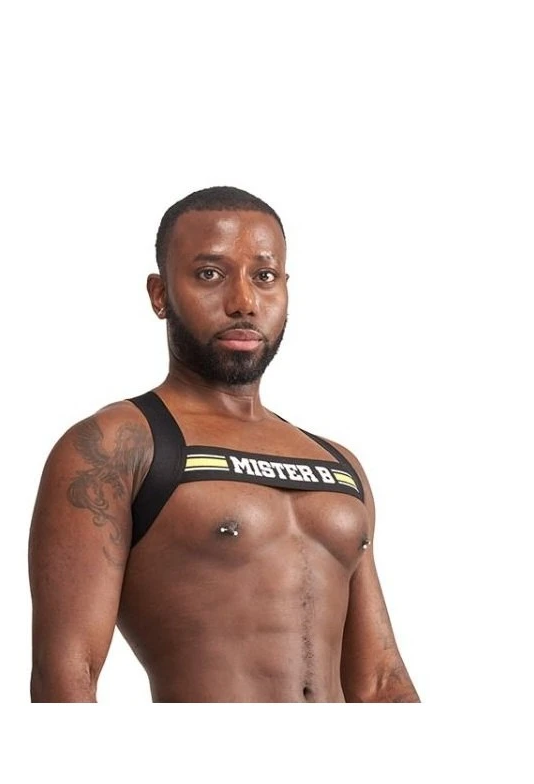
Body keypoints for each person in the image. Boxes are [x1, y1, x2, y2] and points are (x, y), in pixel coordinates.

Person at [29, 186, 419, 703]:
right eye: (210, 274)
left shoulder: (338, 464)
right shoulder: (117, 447)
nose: (244, 302)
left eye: (264, 276)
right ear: (160, 294)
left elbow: (381, 681)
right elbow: (66, 674)